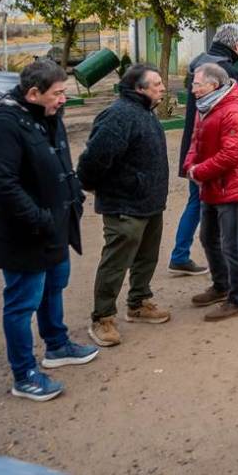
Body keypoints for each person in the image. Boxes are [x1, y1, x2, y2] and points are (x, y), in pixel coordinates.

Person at [0, 59, 98, 401]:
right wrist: (40, 219)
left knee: (54, 287)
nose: (64, 99)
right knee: (22, 302)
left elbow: (60, 160)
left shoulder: (48, 116)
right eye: (58, 93)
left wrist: (73, 193)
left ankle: (57, 345)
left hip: (55, 225)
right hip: (23, 234)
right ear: (34, 93)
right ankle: (24, 374)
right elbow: (3, 185)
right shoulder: (2, 124)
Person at [169, 24, 238, 276]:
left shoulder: (199, 63)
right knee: (211, 199)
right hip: (217, 149)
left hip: (196, 145)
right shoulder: (226, 70)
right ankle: (180, 254)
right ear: (233, 45)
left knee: (230, 196)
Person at [79, 64, 171, 347]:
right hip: (124, 204)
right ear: (139, 89)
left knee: (147, 255)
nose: (163, 88)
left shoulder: (144, 112)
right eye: (156, 84)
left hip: (150, 202)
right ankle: (103, 317)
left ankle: (139, 302)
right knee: (116, 261)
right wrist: (94, 185)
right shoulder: (119, 115)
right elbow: (93, 160)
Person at [184, 63, 238, 321]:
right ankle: (220, 285)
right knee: (207, 237)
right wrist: (189, 166)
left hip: (230, 189)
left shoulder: (234, 111)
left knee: (231, 245)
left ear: (213, 85)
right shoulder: (205, 107)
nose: (192, 89)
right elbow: (195, 141)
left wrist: (198, 172)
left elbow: (231, 155)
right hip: (210, 186)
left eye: (197, 84)